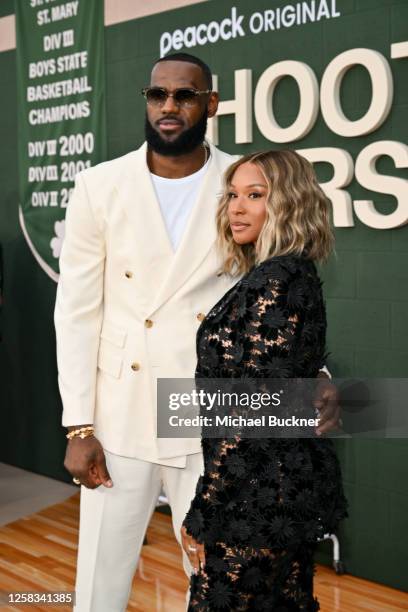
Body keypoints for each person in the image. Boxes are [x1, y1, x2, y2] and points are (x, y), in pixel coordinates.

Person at [55, 53, 340, 612]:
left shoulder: (245, 180)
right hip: (122, 407)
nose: (168, 107)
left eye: (184, 96)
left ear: (210, 105)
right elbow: (77, 311)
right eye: (158, 94)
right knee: (99, 581)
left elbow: (284, 285)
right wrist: (77, 423)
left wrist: (316, 375)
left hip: (208, 410)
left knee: (214, 573)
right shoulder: (99, 185)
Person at [181, 150, 348, 611]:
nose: (237, 207)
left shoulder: (271, 282)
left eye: (255, 195)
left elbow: (248, 415)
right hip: (283, 488)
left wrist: (205, 510)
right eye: (233, 195)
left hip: (252, 497)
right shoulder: (296, 272)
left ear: (288, 203)